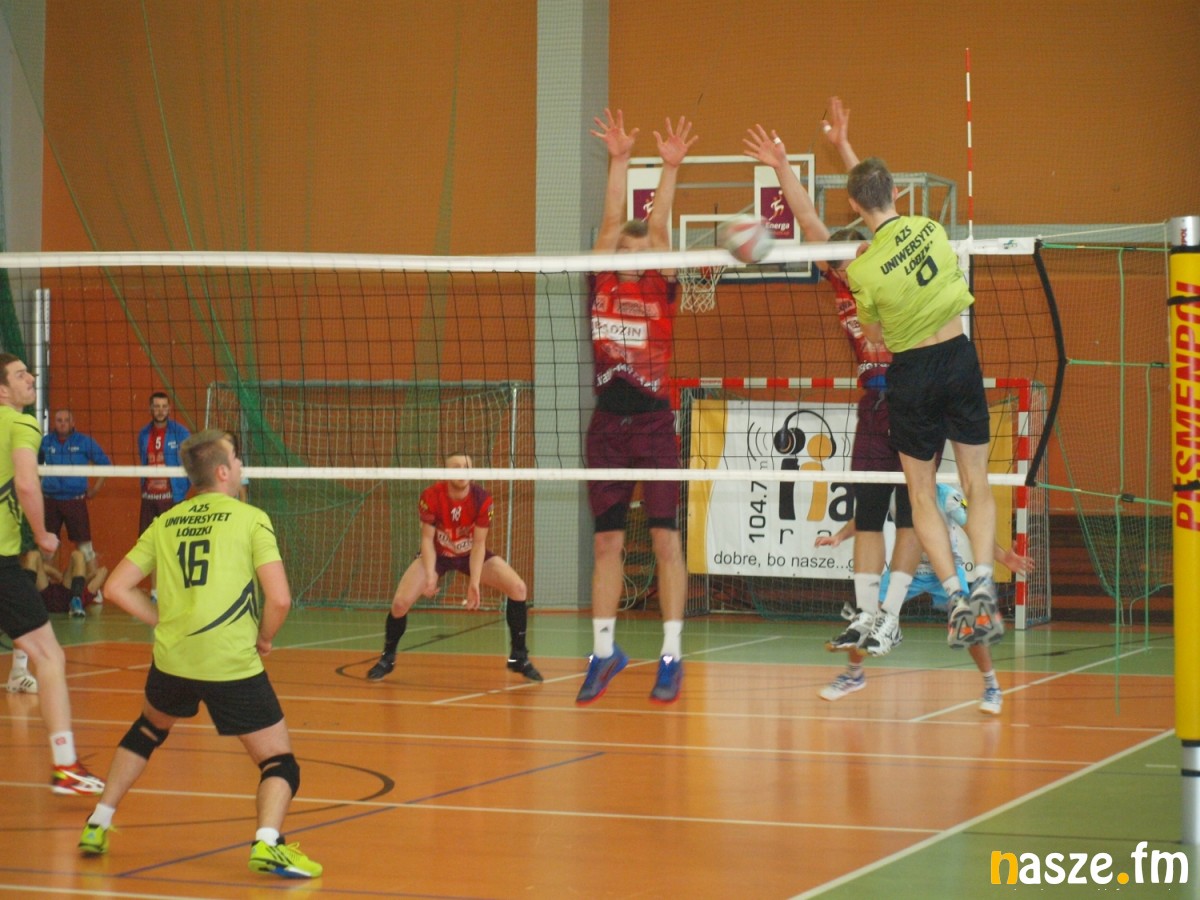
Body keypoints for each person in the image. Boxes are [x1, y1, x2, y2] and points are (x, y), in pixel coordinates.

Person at [78, 429, 321, 879]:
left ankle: (98, 823)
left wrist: (162, 622)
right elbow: (280, 599)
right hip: (230, 661)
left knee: (148, 729)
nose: (242, 466)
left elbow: (115, 588)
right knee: (279, 762)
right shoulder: (251, 519)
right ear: (224, 472)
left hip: (174, 659)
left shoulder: (166, 521)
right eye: (237, 460)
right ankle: (268, 843)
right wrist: (265, 638)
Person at [743, 96, 908, 656]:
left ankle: (892, 615)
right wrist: (782, 166)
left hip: (913, 395)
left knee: (913, 516)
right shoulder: (840, 276)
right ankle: (865, 616)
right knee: (868, 515)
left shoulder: (887, 258)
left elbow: (880, 206)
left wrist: (844, 146)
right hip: (873, 403)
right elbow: (810, 219)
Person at [844, 143, 1001, 650]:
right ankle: (982, 585)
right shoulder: (932, 230)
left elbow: (873, 335)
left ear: (854, 207)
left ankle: (956, 597)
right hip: (958, 355)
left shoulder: (862, 270)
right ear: (895, 191)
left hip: (911, 372)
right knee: (977, 479)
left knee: (920, 493)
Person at [576, 110, 697, 706]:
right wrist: (620, 160)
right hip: (606, 426)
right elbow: (609, 224)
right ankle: (604, 654)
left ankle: (671, 655)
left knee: (665, 540)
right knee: (606, 544)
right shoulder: (600, 280)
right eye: (628, 245)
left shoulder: (660, 284)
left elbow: (662, 227)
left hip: (653, 423)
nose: (635, 251)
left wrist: (669, 169)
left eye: (643, 247)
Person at [816, 483, 1032, 715]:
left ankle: (992, 687)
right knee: (867, 614)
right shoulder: (895, 494)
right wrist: (840, 536)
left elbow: (974, 528)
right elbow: (866, 517)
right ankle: (853, 675)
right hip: (906, 569)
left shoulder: (947, 495)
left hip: (946, 569)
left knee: (968, 625)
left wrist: (1003, 557)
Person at [0, 353, 105, 793]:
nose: (31, 378)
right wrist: (42, 533)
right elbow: (27, 483)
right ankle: (66, 766)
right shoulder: (21, 424)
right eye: (20, 374)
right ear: (2, 390)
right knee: (50, 657)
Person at [366, 453, 541, 682]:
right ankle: (387, 658)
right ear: (446, 472)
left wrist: (474, 583)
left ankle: (518, 656)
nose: (462, 471)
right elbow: (427, 540)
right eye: (456, 467)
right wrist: (431, 575)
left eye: (467, 466)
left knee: (518, 588)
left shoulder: (482, 499)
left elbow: (479, 544)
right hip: (438, 554)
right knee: (400, 603)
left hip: (469, 554)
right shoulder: (431, 496)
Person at [40, 408, 111, 576]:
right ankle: (48, 586)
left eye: (66, 420)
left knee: (85, 547)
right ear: (54, 423)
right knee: (49, 547)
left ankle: (94, 588)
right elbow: (34, 466)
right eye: (59, 420)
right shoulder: (46, 442)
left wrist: (95, 489)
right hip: (50, 500)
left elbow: (106, 464)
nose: (63, 424)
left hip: (75, 500)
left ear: (73, 423)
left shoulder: (85, 442)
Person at [137, 391, 189, 603]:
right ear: (150, 408)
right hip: (149, 497)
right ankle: (155, 592)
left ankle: (178, 589)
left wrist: (181, 490)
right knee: (151, 545)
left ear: (169, 408)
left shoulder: (181, 433)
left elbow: (190, 463)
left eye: (164, 406)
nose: (160, 410)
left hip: (172, 498)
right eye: (156, 406)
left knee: (175, 544)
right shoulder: (143, 434)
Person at [23, 548, 107, 618]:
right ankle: (25, 601)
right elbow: (102, 571)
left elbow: (103, 571)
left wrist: (55, 573)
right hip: (50, 593)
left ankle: (76, 602)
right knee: (33, 554)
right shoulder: (85, 589)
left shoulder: (86, 594)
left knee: (79, 555)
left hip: (66, 598)